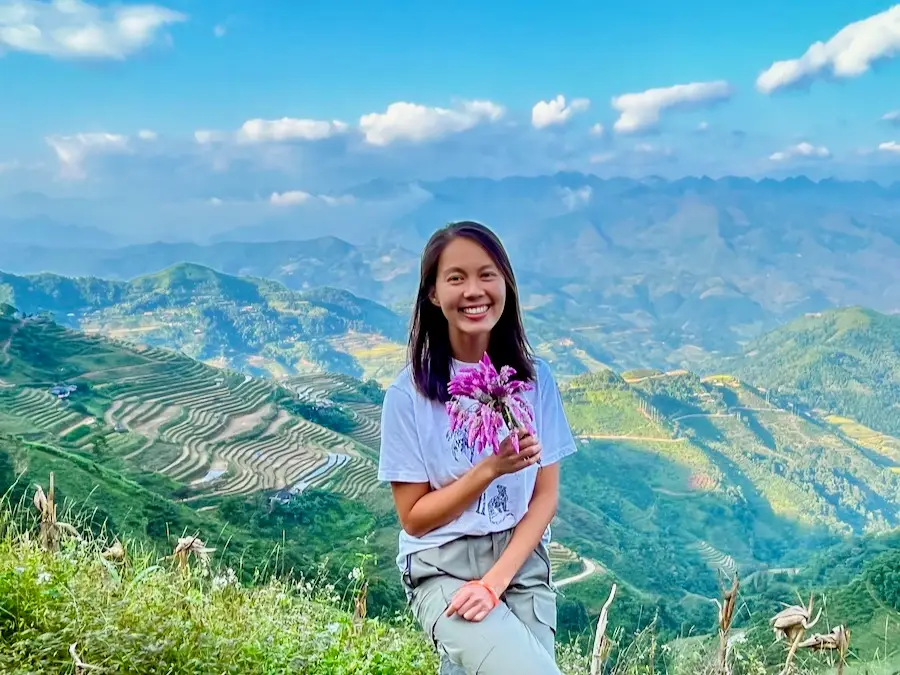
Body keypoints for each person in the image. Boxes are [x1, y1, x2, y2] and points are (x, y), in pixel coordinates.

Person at [378, 220, 578, 674]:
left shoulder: (534, 380)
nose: (474, 290)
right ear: (432, 293)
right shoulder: (408, 396)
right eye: (456, 278)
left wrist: (494, 583)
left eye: (487, 274)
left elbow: (544, 498)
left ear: (505, 282)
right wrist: (490, 469)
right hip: (442, 566)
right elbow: (414, 517)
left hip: (520, 565)